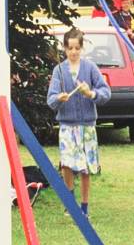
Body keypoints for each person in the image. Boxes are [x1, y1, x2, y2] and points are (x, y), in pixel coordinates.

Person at [46, 27, 111, 217]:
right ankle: (70, 204)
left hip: (87, 126)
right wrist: (59, 98)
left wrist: (90, 93)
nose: (73, 52)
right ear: (64, 49)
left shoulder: (90, 68)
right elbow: (50, 100)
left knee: (85, 168)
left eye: (76, 48)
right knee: (67, 164)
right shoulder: (59, 70)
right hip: (67, 125)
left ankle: (84, 206)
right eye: (69, 48)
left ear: (82, 48)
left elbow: (105, 92)